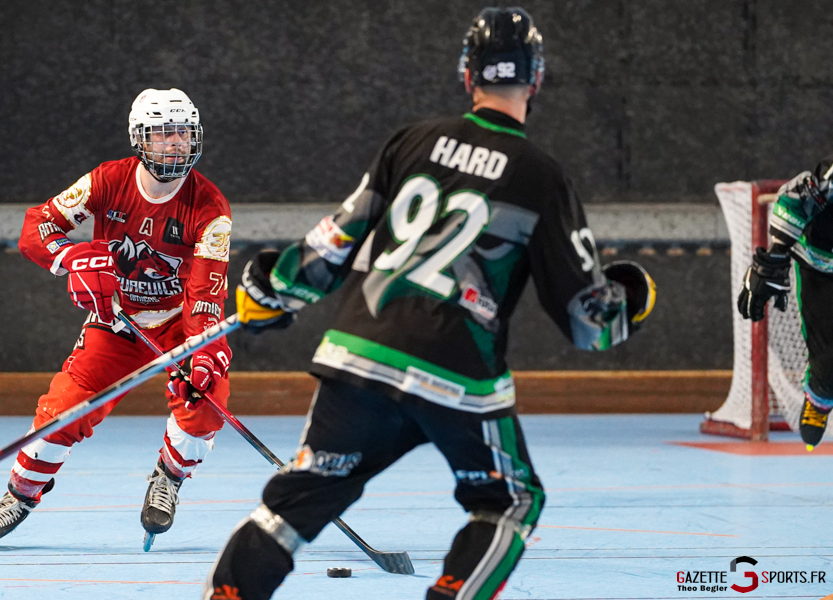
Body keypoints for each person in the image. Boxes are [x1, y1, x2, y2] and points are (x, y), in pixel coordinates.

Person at [203, 8, 656, 600]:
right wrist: (634, 297)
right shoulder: (542, 176)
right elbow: (589, 323)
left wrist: (271, 290)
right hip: (456, 372)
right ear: (536, 79)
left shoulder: (411, 141)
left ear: (468, 74)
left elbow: (331, 245)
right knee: (511, 503)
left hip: (357, 356)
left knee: (296, 503)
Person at [0, 88, 234, 551]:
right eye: (162, 133)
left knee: (207, 401)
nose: (174, 144)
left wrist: (203, 354)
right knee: (63, 408)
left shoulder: (211, 209)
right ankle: (19, 496)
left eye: (183, 133)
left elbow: (205, 296)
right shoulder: (106, 181)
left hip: (177, 324)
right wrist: (72, 258)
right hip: (116, 321)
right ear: (139, 138)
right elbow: (37, 227)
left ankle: (169, 477)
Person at [738, 155, 833, 448]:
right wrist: (775, 256)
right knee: (829, 366)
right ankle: (820, 395)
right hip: (823, 267)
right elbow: (794, 198)